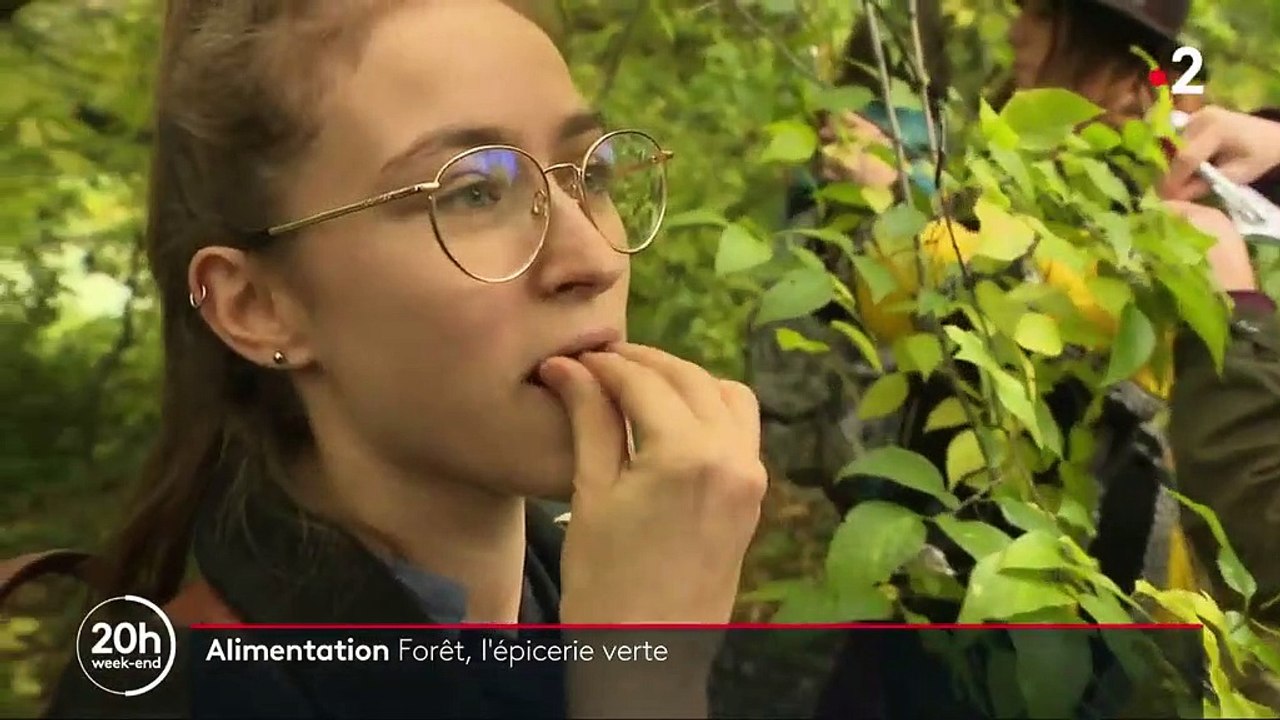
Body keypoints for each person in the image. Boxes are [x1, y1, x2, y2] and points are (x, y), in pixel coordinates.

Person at [25, 1, 767, 717]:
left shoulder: (611, 592)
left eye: (590, 175)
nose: (593, 259)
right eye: (474, 193)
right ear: (256, 306)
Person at [748, 0, 1280, 717]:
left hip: (1074, 600)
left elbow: (1035, 303)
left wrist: (889, 207)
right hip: (961, 570)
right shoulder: (1051, 150)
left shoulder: (1161, 183)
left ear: (1115, 61)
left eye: (1040, 14)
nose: (1015, 30)